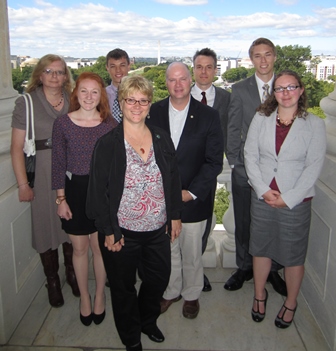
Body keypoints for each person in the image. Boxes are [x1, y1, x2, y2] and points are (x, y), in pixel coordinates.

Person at [86, 75, 182, 351]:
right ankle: (131, 337)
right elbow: (97, 194)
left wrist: (174, 214)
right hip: (122, 233)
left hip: (157, 230)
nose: (137, 105)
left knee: (158, 279)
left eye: (143, 100)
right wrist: (109, 230)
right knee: (123, 287)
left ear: (150, 105)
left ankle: (147, 320)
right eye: (131, 99)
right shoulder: (108, 144)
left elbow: (173, 178)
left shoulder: (162, 137)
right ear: (121, 102)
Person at [244, 69, 326, 328]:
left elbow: (313, 166)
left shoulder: (314, 124)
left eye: (291, 87)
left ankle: (291, 302)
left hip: (296, 202)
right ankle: (259, 295)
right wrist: (262, 189)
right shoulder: (261, 117)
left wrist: (288, 198)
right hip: (263, 197)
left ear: (301, 90)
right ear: (274, 93)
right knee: (261, 249)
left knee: (293, 255)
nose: (286, 92)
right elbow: (250, 155)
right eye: (280, 88)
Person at [147, 62, 224, 319]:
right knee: (168, 249)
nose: (178, 84)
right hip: (161, 198)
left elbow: (214, 161)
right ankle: (171, 290)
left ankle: (191, 294)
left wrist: (190, 192)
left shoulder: (208, 115)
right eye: (172, 80)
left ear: (190, 81)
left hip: (193, 199)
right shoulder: (153, 112)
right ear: (165, 83)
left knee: (192, 251)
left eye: (182, 79)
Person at [11, 54, 80, 308]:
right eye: (49, 71)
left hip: (72, 171)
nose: (55, 76)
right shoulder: (26, 103)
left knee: (71, 224)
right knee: (44, 227)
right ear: (39, 75)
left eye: (60, 72)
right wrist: (22, 184)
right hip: (41, 172)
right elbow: (16, 147)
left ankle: (72, 272)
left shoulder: (73, 100)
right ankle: (52, 280)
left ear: (66, 76)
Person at [52, 72, 117, 326]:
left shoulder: (109, 124)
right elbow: (58, 164)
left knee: (99, 248)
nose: (89, 97)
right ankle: (85, 298)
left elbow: (115, 165)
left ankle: (100, 294)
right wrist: (61, 200)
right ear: (76, 94)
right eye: (84, 91)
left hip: (102, 192)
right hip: (74, 192)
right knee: (78, 249)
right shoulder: (63, 124)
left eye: (94, 92)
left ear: (101, 95)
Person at [226, 38, 287, 296]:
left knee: (274, 222)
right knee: (243, 220)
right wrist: (238, 166)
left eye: (268, 54)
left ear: (275, 57)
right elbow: (232, 129)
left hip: (278, 172)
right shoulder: (240, 89)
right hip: (245, 171)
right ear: (251, 59)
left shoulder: (286, 87)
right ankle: (244, 266)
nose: (263, 60)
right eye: (258, 56)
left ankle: (272, 269)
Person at [191, 47, 230, 292]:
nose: (204, 72)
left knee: (204, 221)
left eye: (209, 67)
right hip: (182, 167)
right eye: (199, 67)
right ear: (193, 69)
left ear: (216, 70)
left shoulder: (227, 98)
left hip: (210, 168)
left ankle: (196, 270)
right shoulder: (181, 93)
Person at [105, 48, 131, 123]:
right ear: (107, 68)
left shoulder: (139, 95)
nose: (118, 70)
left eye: (122, 65)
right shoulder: (101, 95)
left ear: (128, 66)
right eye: (113, 66)